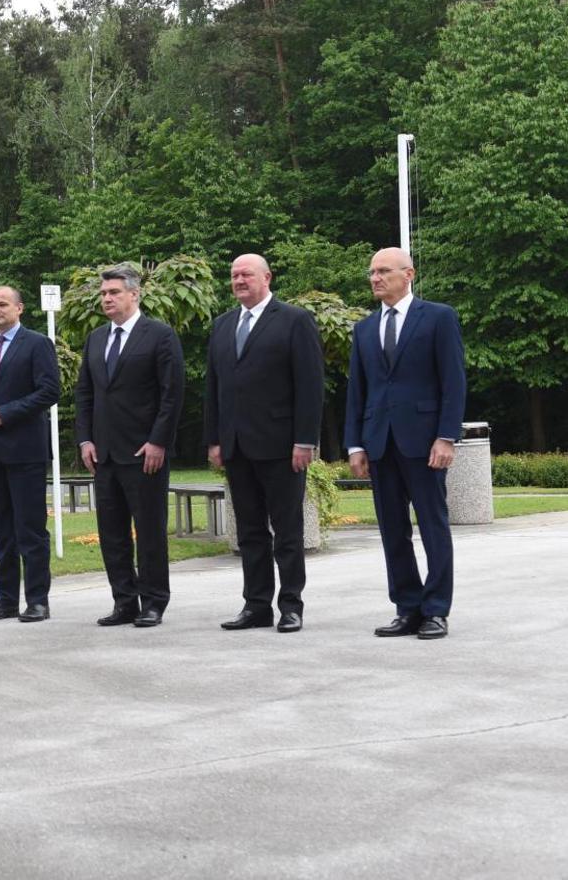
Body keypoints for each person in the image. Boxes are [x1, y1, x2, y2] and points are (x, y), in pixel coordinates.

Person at [344, 247, 466, 640]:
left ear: (408, 274)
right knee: (392, 530)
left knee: (433, 527)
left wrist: (446, 436)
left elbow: (453, 380)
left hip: (425, 442)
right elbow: (357, 392)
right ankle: (407, 607)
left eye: (383, 271)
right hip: (380, 443)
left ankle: (435, 610)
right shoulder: (364, 328)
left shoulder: (438, 317)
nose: (375, 278)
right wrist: (355, 445)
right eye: (372, 272)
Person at [203, 254, 324, 634]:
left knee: (287, 530)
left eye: (247, 274)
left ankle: (291, 605)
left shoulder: (294, 320)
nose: (239, 280)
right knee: (249, 532)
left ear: (267, 277)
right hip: (237, 447)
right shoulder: (222, 326)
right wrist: (214, 440)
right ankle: (256, 605)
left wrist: (305, 440)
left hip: (282, 446)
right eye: (234, 275)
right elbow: (214, 389)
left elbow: (310, 385)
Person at [74, 264, 183, 628]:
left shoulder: (160, 336)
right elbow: (85, 394)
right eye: (104, 293)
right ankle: (124, 601)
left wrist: (158, 441)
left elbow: (171, 395)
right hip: (103, 454)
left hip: (144, 454)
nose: (106, 298)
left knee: (150, 531)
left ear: (134, 295)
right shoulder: (95, 339)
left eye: (114, 293)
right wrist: (85, 438)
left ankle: (154, 602)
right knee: (112, 533)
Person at [0, 286, 61, 622]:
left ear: (20, 308)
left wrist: (5, 413)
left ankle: (37, 601)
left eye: (2, 304)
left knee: (30, 530)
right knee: (1, 532)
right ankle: (5, 600)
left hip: (26, 452)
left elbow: (49, 391)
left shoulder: (36, 344)